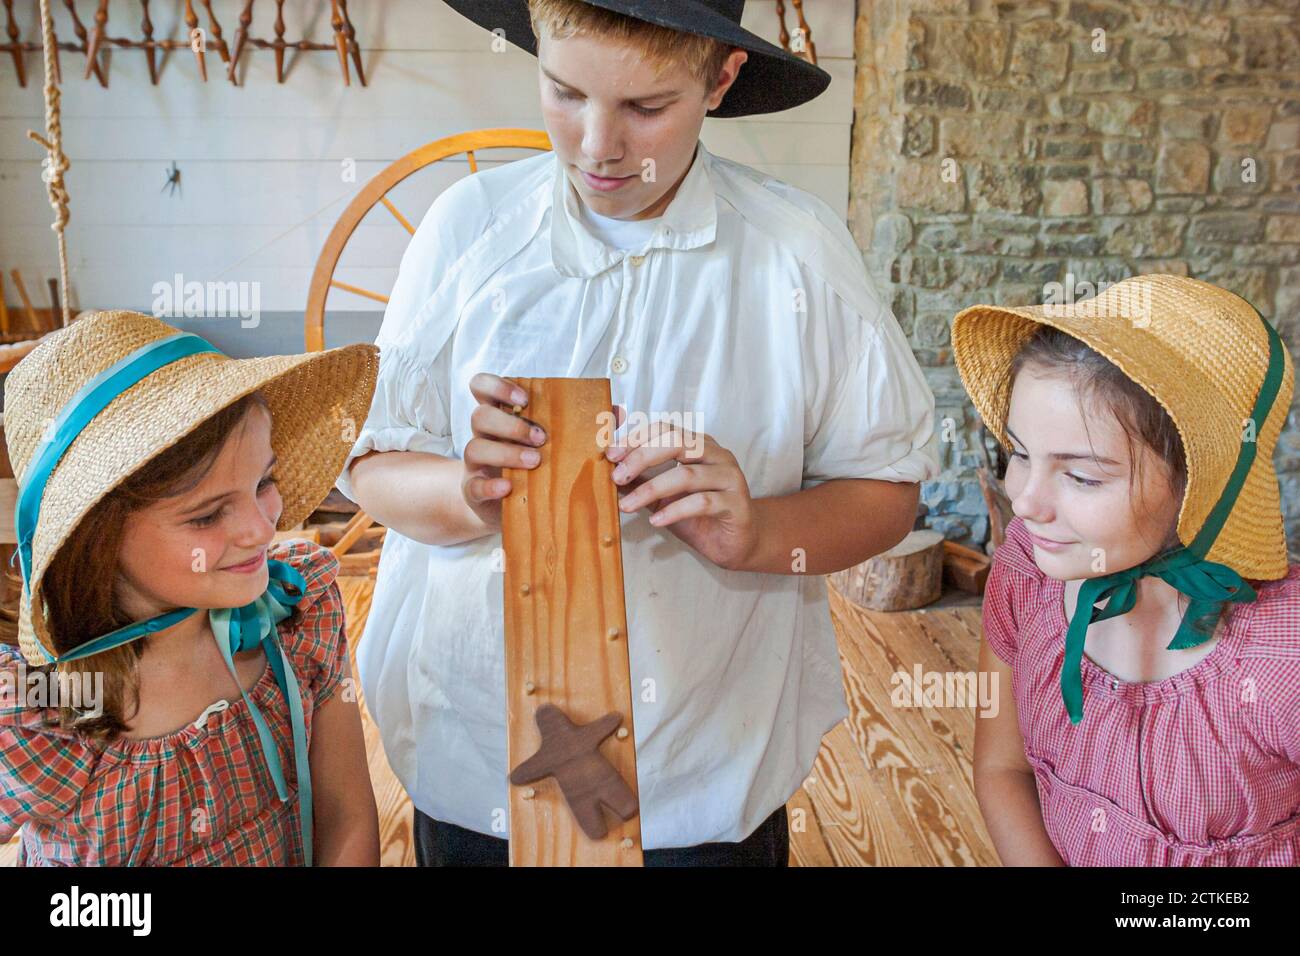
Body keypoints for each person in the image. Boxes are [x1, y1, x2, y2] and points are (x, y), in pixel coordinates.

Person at [337, 0, 939, 865]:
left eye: (646, 108)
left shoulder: (796, 253)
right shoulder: (467, 229)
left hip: (699, 772)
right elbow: (373, 465)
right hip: (481, 755)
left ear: (721, 79)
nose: (595, 145)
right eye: (563, 92)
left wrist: (764, 531)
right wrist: (467, 493)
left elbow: (884, 491)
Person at [0, 310, 382, 865]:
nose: (262, 527)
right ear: (95, 541)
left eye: (264, 482)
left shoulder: (298, 610)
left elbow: (346, 812)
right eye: (206, 516)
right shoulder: (41, 715)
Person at [957, 275, 1300, 866]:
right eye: (1018, 454)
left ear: (1202, 482)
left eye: (1082, 476)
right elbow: (1001, 766)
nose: (1025, 500)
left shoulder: (1283, 652)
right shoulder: (1025, 568)